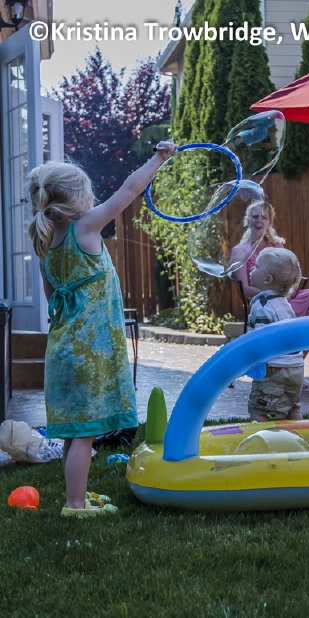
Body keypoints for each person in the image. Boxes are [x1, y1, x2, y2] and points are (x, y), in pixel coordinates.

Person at [27, 141, 178, 517]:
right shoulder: (86, 226)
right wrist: (158, 159)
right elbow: (130, 189)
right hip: (89, 353)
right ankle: (75, 505)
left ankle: (73, 496)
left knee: (74, 430)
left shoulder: (46, 245)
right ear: (75, 199)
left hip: (62, 350)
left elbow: (52, 300)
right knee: (85, 434)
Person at [231, 199, 309, 370]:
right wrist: (278, 293)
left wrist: (290, 289)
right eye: (255, 216)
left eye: (263, 217)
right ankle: (295, 367)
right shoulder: (240, 251)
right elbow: (245, 289)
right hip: (266, 301)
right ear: (248, 220)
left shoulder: (276, 245)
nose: (258, 220)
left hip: (287, 296)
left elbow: (292, 274)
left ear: (269, 222)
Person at [246, 247, 306, 421]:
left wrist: (248, 360)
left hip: (273, 370)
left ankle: (261, 438)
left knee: (259, 411)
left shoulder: (262, 305)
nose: (252, 269)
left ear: (267, 279)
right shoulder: (284, 304)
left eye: (256, 266)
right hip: (296, 367)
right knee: (293, 408)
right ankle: (300, 436)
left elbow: (260, 341)